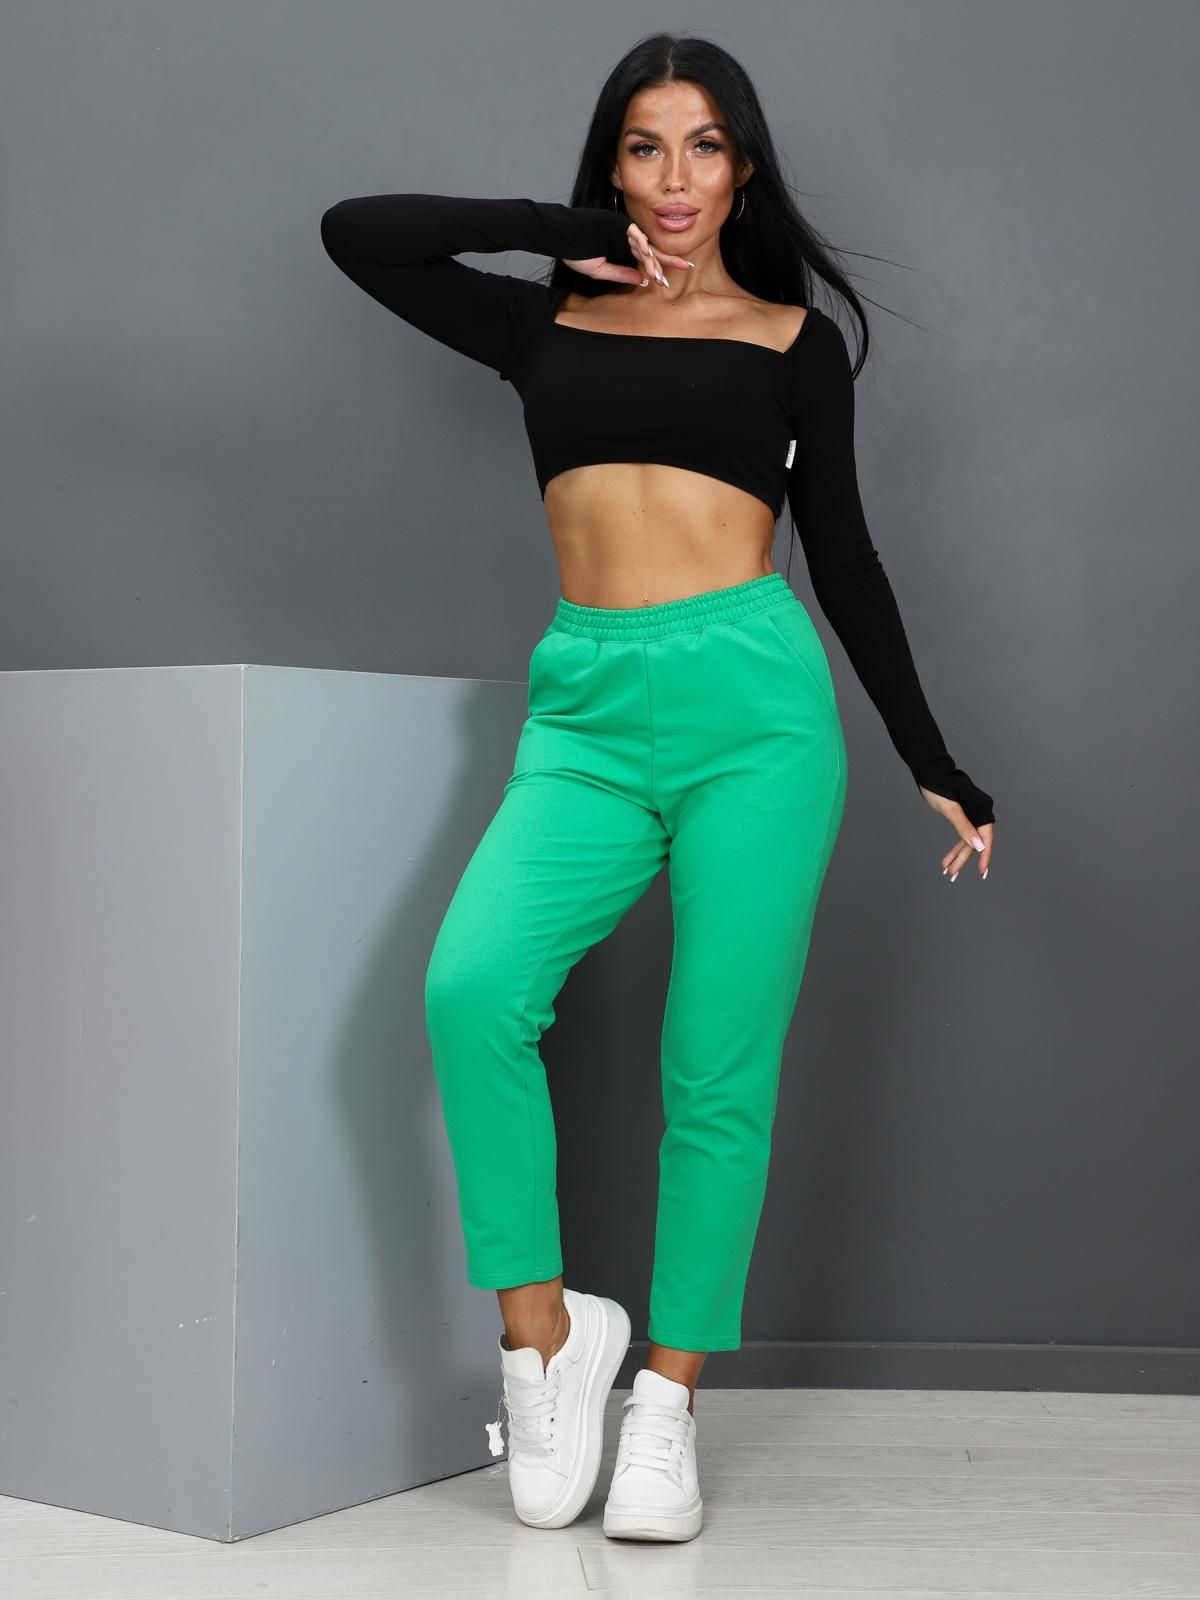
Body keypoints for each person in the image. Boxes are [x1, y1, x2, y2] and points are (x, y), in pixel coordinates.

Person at [320, 31, 994, 1545]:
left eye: (703, 146)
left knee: (715, 1068)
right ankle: (546, 1342)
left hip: (754, 711)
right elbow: (357, 233)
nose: (675, 177)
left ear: (743, 167)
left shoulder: (791, 339)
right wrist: (564, 235)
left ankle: (670, 1406)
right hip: (585, 708)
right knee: (472, 989)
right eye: (644, 146)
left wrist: (930, 757)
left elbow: (847, 555)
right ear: (613, 167)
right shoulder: (543, 318)